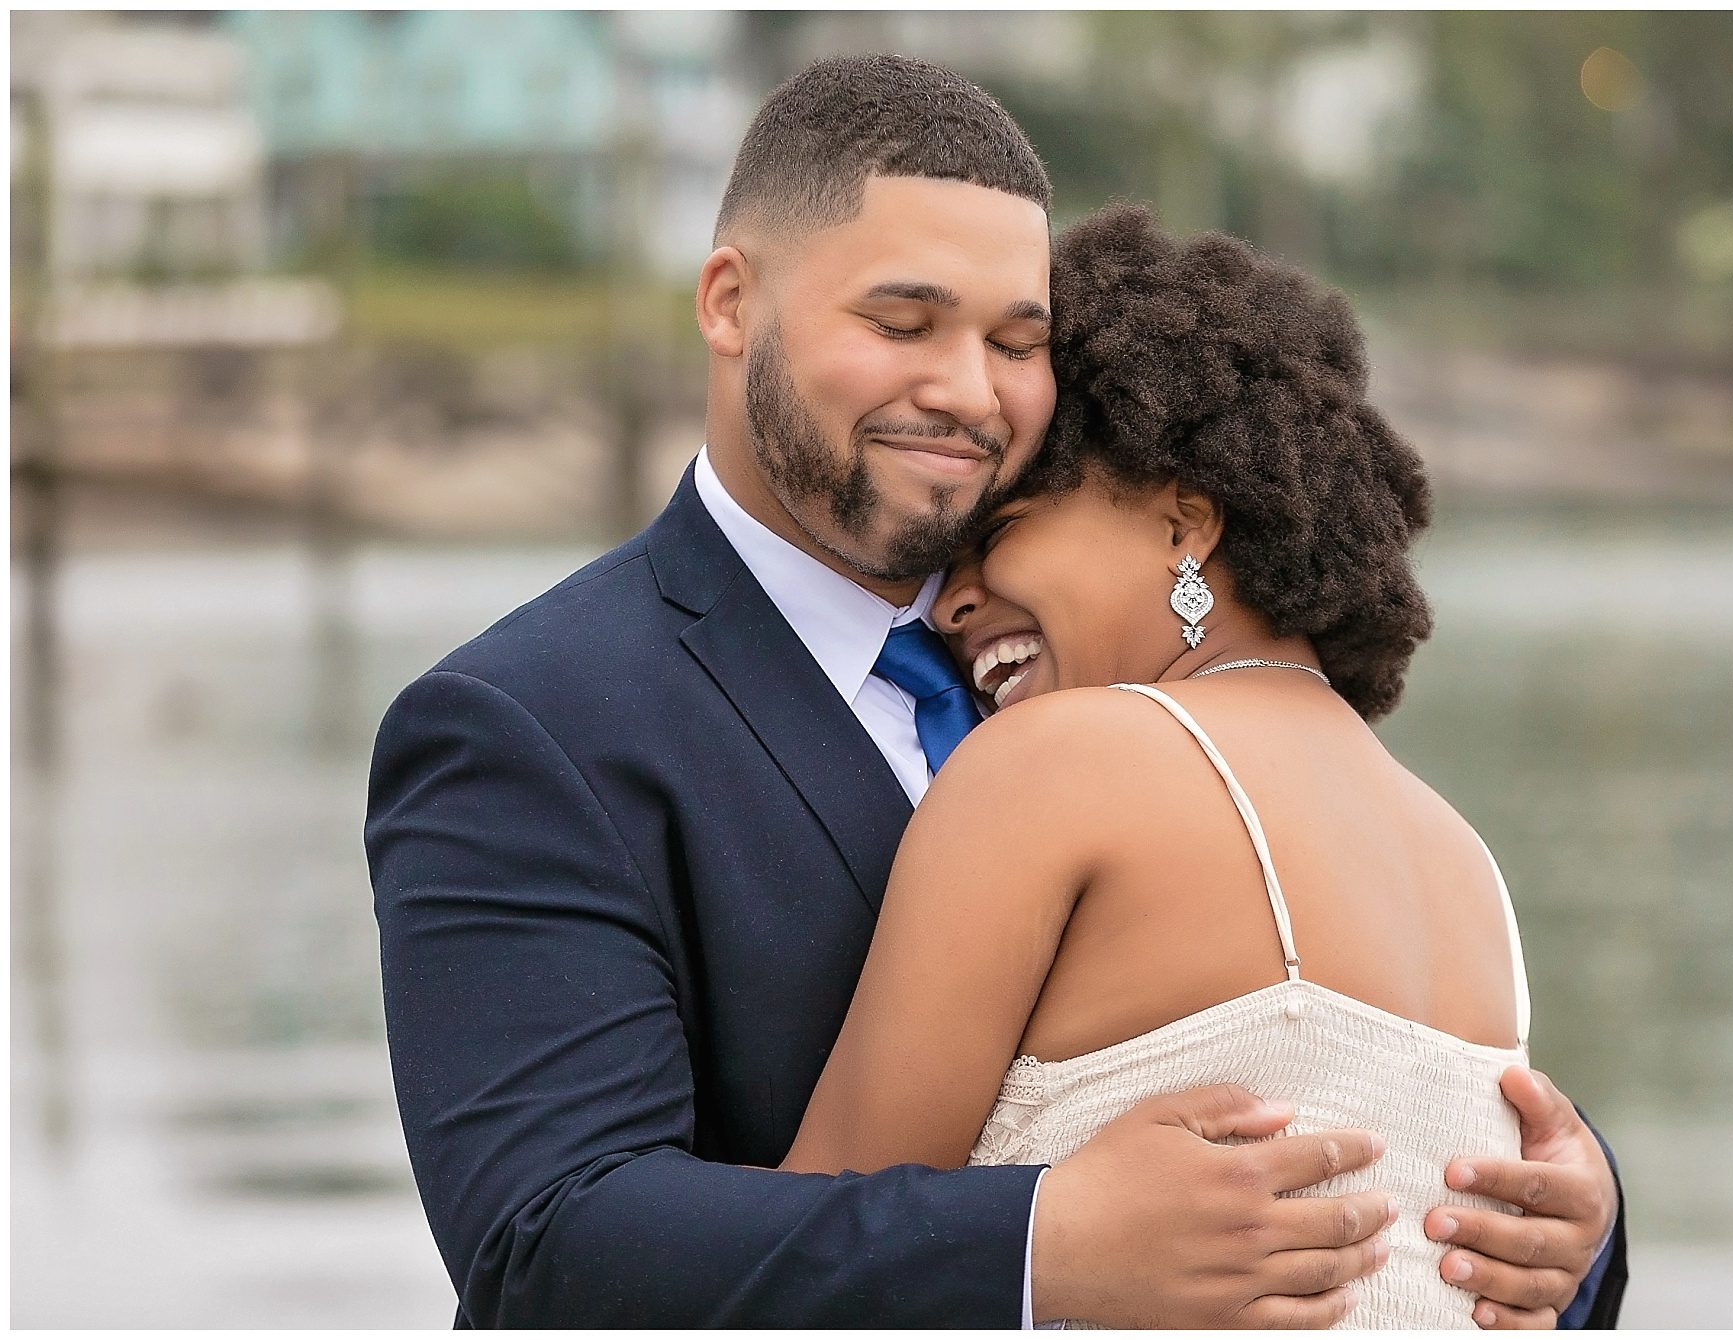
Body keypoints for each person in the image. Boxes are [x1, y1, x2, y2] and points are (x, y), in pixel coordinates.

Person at [367, 54, 1625, 1328]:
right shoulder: (528, 723)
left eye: (1016, 342)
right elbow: (542, 1253)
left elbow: (1364, 1098)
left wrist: (1570, 1219)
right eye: (901, 323)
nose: (969, 392)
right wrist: (1036, 1242)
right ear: (731, 302)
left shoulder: (1093, 677)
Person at [775, 203, 1621, 1329]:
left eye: (1001, 530)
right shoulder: (1463, 861)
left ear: (1184, 523)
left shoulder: (1057, 766)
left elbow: (805, 1267)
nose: (949, 603)